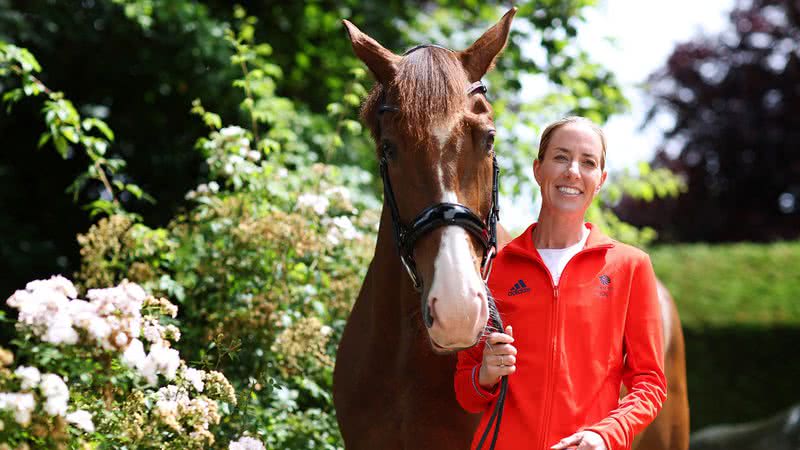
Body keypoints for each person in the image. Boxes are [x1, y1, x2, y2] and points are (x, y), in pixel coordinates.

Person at [454, 116, 667, 450]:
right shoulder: (493, 268)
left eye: (588, 162)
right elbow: (465, 390)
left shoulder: (630, 266)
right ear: (538, 170)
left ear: (600, 180)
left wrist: (605, 435)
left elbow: (650, 383)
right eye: (561, 157)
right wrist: (485, 373)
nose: (573, 172)